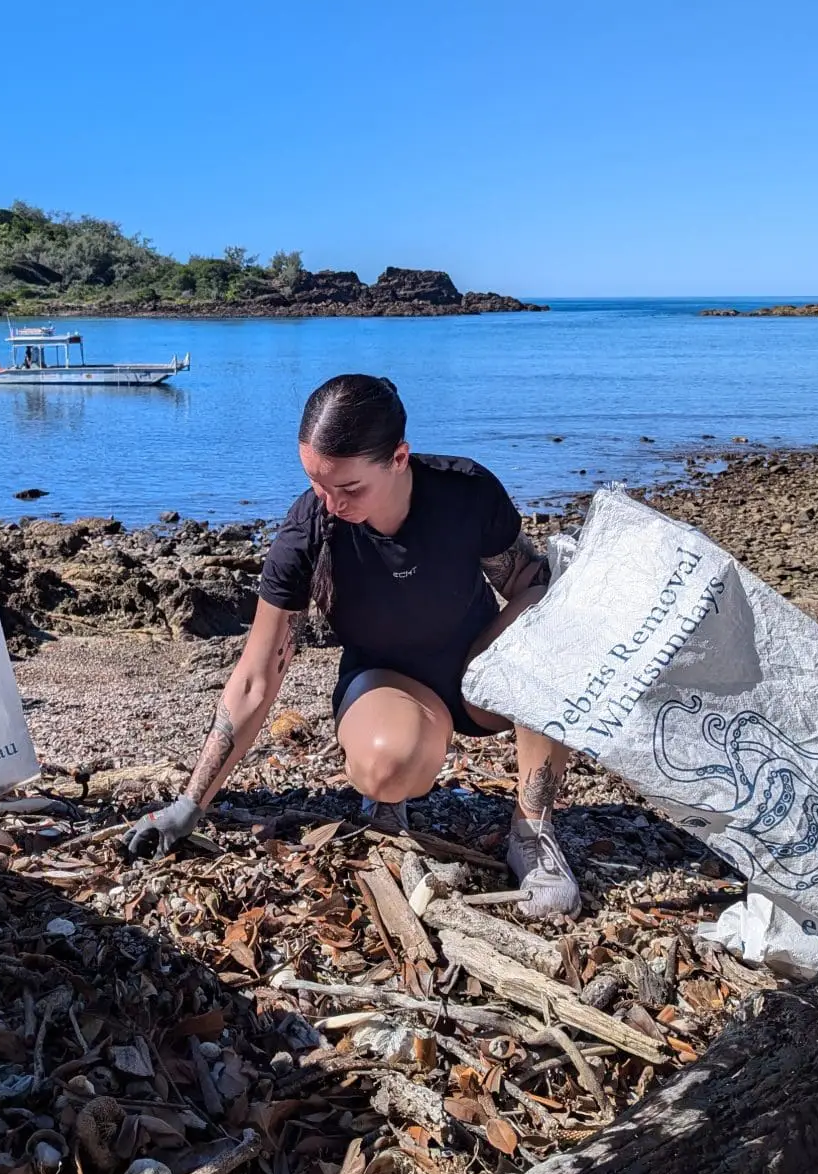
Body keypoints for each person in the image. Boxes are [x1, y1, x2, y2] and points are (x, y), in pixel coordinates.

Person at [124, 374, 582, 918]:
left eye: (349, 489)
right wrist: (189, 805)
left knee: (554, 612)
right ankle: (389, 796)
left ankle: (532, 831)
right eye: (318, 484)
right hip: (388, 684)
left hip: (479, 671)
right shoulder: (307, 532)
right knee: (389, 766)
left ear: (399, 457)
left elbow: (530, 584)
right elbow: (256, 676)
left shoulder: (466, 492)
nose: (330, 503)